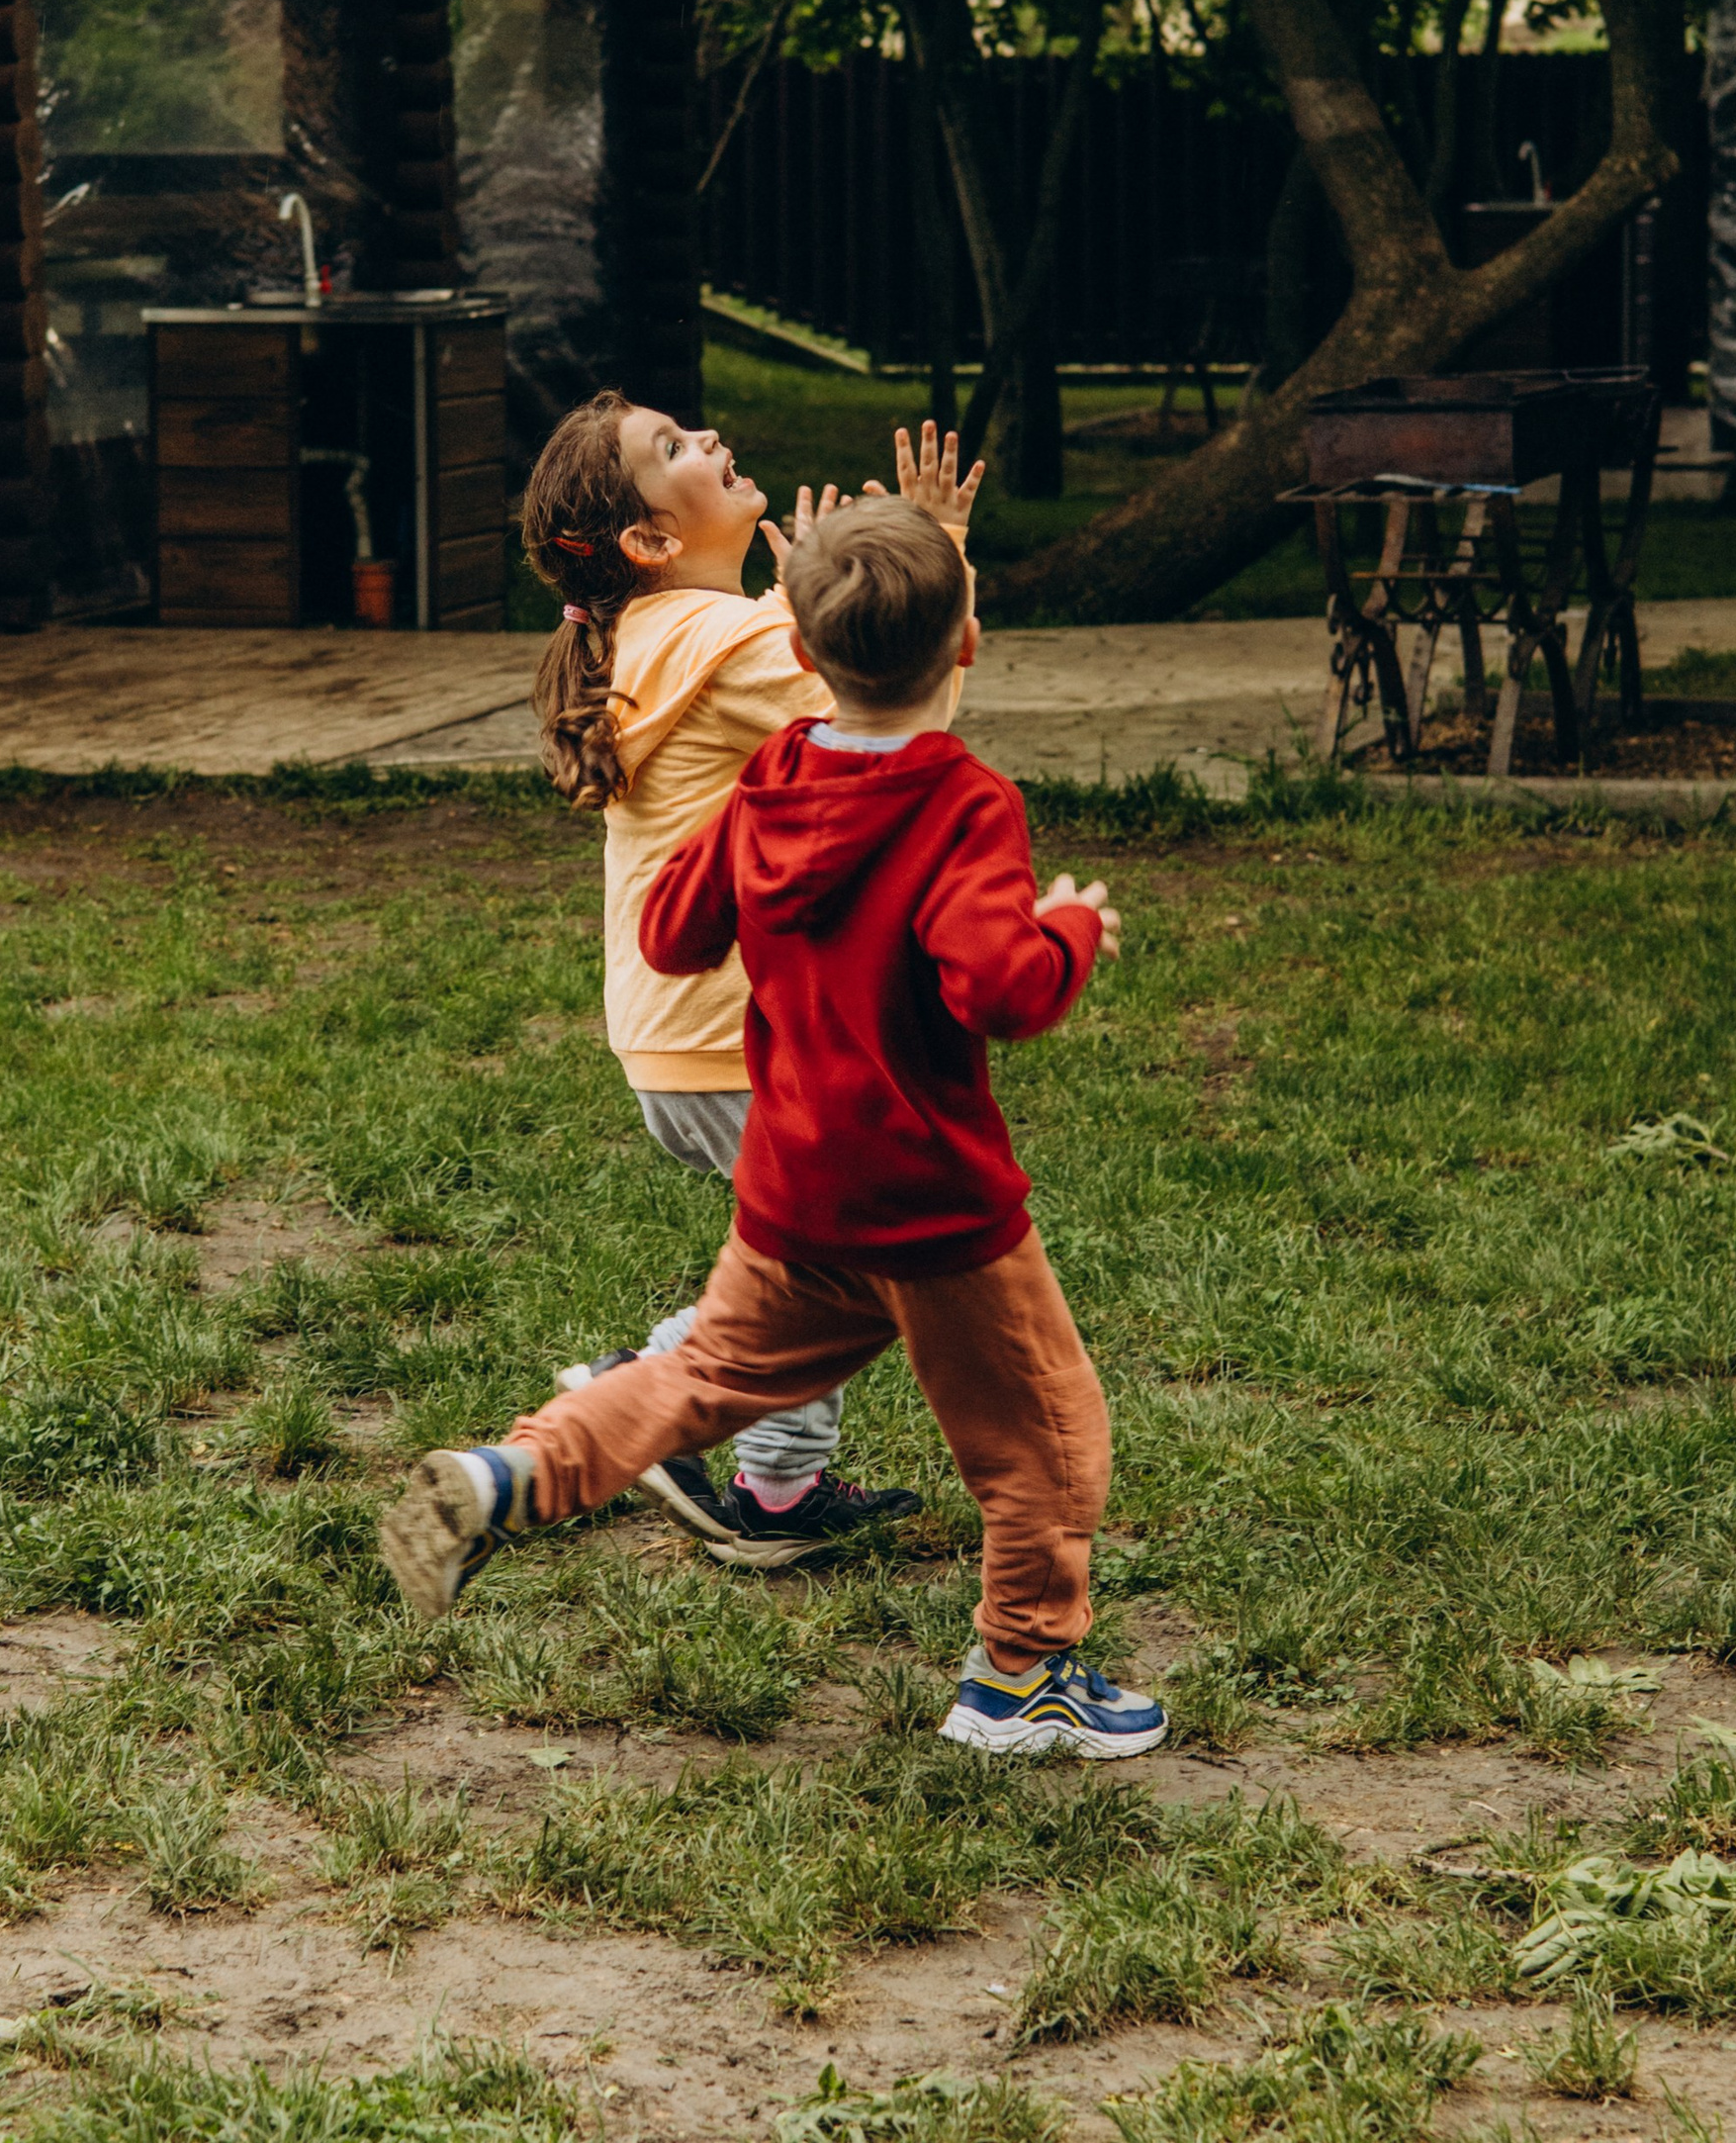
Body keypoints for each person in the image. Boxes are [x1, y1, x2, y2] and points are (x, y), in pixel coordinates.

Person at [380, 496, 1167, 1760]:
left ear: (797, 650)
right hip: (929, 1204)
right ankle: (1022, 1675)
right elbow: (1002, 990)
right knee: (1045, 1432)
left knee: (699, 1379)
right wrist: (1068, 928)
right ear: (966, 646)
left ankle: (513, 1474)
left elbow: (672, 931)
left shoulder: (770, 780)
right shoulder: (964, 802)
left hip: (794, 1186)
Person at [516, 392, 981, 1566]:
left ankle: (777, 1495)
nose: (711, 441)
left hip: (686, 1031)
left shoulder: (680, 633)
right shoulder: (721, 643)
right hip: (739, 1033)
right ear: (651, 542)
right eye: (672, 451)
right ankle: (655, 1379)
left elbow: (818, 690)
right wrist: (929, 564)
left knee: (832, 1256)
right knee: (847, 1268)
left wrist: (819, 598)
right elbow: (897, 725)